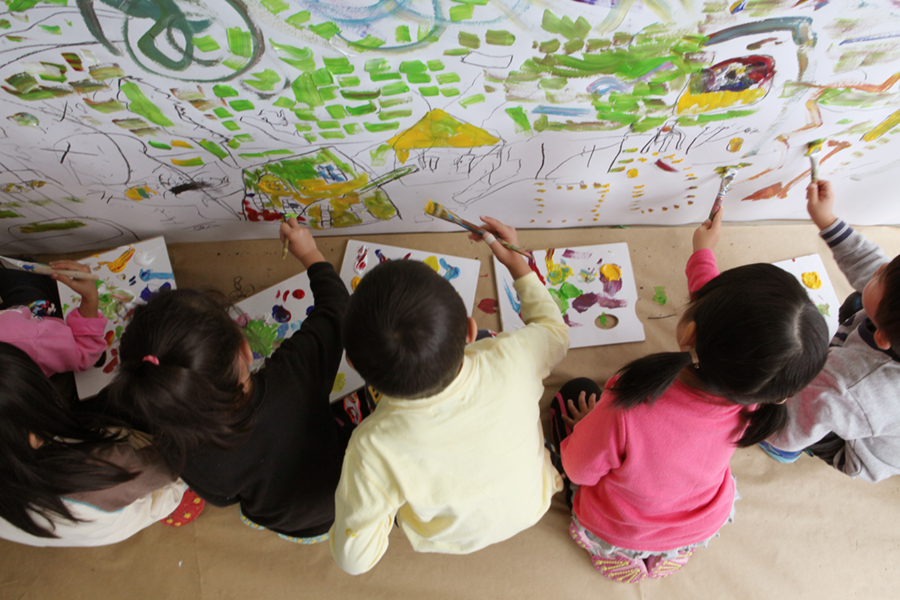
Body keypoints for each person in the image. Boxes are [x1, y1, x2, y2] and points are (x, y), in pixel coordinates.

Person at [552, 210, 829, 583]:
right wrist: (702, 253)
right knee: (671, 522)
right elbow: (735, 325)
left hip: (620, 528)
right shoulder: (755, 393)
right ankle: (669, 552)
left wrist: (584, 425)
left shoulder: (629, 399)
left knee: (574, 393)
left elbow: (578, 470)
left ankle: (617, 553)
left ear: (690, 331)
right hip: (698, 523)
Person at [329, 216, 570, 575]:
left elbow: (354, 560)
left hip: (448, 536)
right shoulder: (513, 356)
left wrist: (374, 507)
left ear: (352, 363)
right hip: (532, 501)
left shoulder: (371, 447)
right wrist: (517, 264)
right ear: (471, 331)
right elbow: (555, 332)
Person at [106, 218, 350, 543]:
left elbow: (225, 498)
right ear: (245, 350)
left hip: (282, 519)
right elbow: (337, 309)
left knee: (263, 513)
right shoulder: (294, 377)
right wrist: (310, 253)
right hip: (344, 499)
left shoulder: (176, 448)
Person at [0, 260, 186, 547]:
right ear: (34, 436)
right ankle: (182, 501)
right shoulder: (107, 469)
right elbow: (175, 463)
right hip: (118, 501)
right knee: (181, 475)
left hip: (40, 511)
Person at [760, 180, 900, 482]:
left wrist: (772, 429)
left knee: (788, 402)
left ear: (883, 337)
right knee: (859, 301)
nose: (878, 269)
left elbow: (801, 416)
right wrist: (827, 220)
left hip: (857, 448)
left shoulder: (848, 384)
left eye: (881, 277)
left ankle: (783, 452)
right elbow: (873, 266)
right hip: (866, 401)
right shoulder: (892, 304)